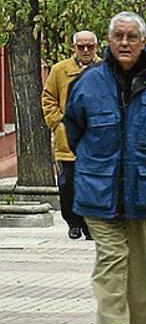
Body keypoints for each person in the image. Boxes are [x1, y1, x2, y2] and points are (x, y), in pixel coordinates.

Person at [64, 11, 146, 324]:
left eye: (133, 37)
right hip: (99, 190)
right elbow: (74, 132)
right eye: (119, 36)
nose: (126, 43)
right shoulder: (88, 83)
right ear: (109, 40)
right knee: (111, 259)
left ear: (144, 42)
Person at [41, 30, 100, 240]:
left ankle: (90, 224)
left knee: (93, 184)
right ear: (74, 47)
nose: (85, 50)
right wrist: (58, 123)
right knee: (67, 183)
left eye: (89, 46)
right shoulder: (60, 70)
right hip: (67, 139)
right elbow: (48, 98)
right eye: (81, 46)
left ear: (96, 47)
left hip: (96, 138)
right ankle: (73, 222)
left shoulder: (104, 69)